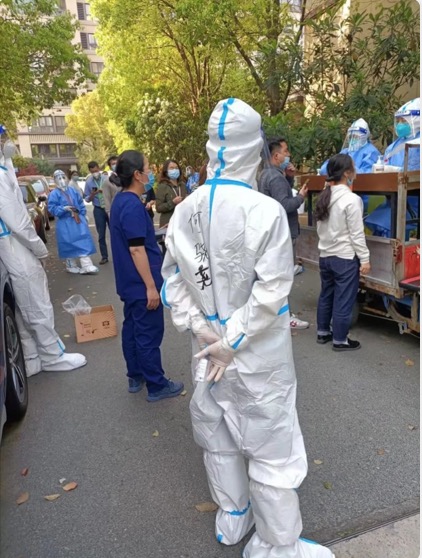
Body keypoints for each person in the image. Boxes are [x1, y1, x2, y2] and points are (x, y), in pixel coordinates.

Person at [161, 98, 333, 558]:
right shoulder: (265, 211)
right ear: (254, 148)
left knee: (217, 434)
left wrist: (203, 330)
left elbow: (172, 280)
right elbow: (272, 290)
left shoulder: (184, 210)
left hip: (207, 351)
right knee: (271, 447)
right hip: (256, 354)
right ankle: (277, 545)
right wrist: (231, 339)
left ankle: (233, 515)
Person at [0, 139, 86, 376]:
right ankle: (51, 355)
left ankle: (32, 357)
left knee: (22, 306)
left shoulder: (5, 170)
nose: (6, 143)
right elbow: (17, 220)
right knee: (35, 302)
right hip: (14, 245)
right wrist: (39, 248)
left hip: (10, 246)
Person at [109, 150, 184, 402]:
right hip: (141, 285)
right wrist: (151, 287)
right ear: (137, 175)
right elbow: (136, 249)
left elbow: (136, 239)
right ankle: (156, 384)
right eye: (147, 168)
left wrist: (159, 233)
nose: (151, 172)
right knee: (148, 334)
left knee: (132, 329)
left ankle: (136, 375)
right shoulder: (131, 205)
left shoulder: (122, 201)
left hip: (130, 284)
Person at [315, 153, 371, 351]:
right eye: (354, 168)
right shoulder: (351, 199)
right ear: (347, 173)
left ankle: (323, 332)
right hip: (344, 258)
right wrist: (365, 259)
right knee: (343, 300)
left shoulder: (324, 196)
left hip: (325, 256)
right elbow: (356, 234)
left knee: (326, 295)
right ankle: (340, 340)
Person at [258, 138, 310, 329]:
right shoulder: (275, 177)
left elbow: (278, 197)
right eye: (286, 151)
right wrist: (301, 197)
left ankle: (275, 314)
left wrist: (288, 178)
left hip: (272, 232)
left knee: (275, 276)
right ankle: (284, 316)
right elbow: (285, 205)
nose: (288, 155)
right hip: (284, 233)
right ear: (276, 155)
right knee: (283, 277)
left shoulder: (266, 174)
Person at [48, 170, 98, 275]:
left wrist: (83, 214)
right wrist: (63, 209)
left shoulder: (72, 191)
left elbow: (80, 202)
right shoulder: (54, 194)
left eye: (63, 177)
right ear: (55, 180)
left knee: (83, 239)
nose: (62, 180)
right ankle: (71, 265)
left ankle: (86, 265)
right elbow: (52, 209)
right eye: (59, 178)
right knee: (68, 243)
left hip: (77, 219)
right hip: (64, 221)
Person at [384, 97, 420, 170]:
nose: (400, 124)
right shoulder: (394, 146)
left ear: (416, 121)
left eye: (404, 121)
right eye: (398, 121)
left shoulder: (418, 144)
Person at [84, 161, 109, 265]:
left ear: (98, 168)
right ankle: (104, 256)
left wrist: (104, 191)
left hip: (109, 207)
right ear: (90, 171)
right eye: (92, 172)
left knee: (115, 232)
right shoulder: (89, 182)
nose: (95, 173)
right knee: (101, 234)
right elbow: (87, 199)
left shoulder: (106, 179)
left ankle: (119, 254)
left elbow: (114, 192)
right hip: (98, 209)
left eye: (96, 170)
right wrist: (93, 194)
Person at [155, 159, 187, 228]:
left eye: (176, 168)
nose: (174, 170)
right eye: (171, 168)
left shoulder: (183, 185)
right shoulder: (162, 186)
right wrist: (173, 202)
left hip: (182, 223)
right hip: (168, 224)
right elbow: (158, 208)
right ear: (166, 172)